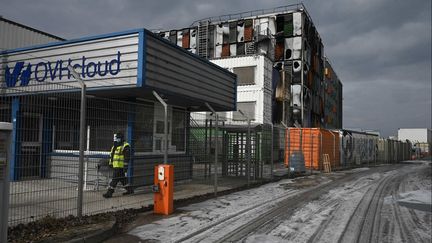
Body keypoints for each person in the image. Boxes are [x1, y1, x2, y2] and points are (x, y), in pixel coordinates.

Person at [103, 132, 134, 198]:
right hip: (115, 166)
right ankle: (130, 190)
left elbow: (127, 158)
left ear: (122, 138)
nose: (117, 139)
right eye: (116, 138)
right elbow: (112, 156)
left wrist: (125, 167)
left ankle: (109, 193)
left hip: (120, 166)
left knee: (114, 179)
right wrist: (110, 164)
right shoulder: (115, 146)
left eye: (118, 138)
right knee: (123, 179)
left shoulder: (126, 146)